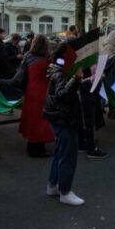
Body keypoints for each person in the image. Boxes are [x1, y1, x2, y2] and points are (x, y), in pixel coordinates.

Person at [42, 39, 85, 206]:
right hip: (64, 118)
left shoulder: (57, 68)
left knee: (61, 152)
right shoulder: (60, 72)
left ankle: (53, 185)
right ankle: (65, 192)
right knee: (68, 156)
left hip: (59, 116)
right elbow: (62, 94)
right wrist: (76, 79)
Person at [3, 34, 55, 158]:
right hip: (43, 91)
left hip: (31, 90)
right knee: (41, 120)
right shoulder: (48, 58)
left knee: (32, 119)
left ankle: (32, 147)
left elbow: (20, 76)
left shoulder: (28, 56)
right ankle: (38, 149)